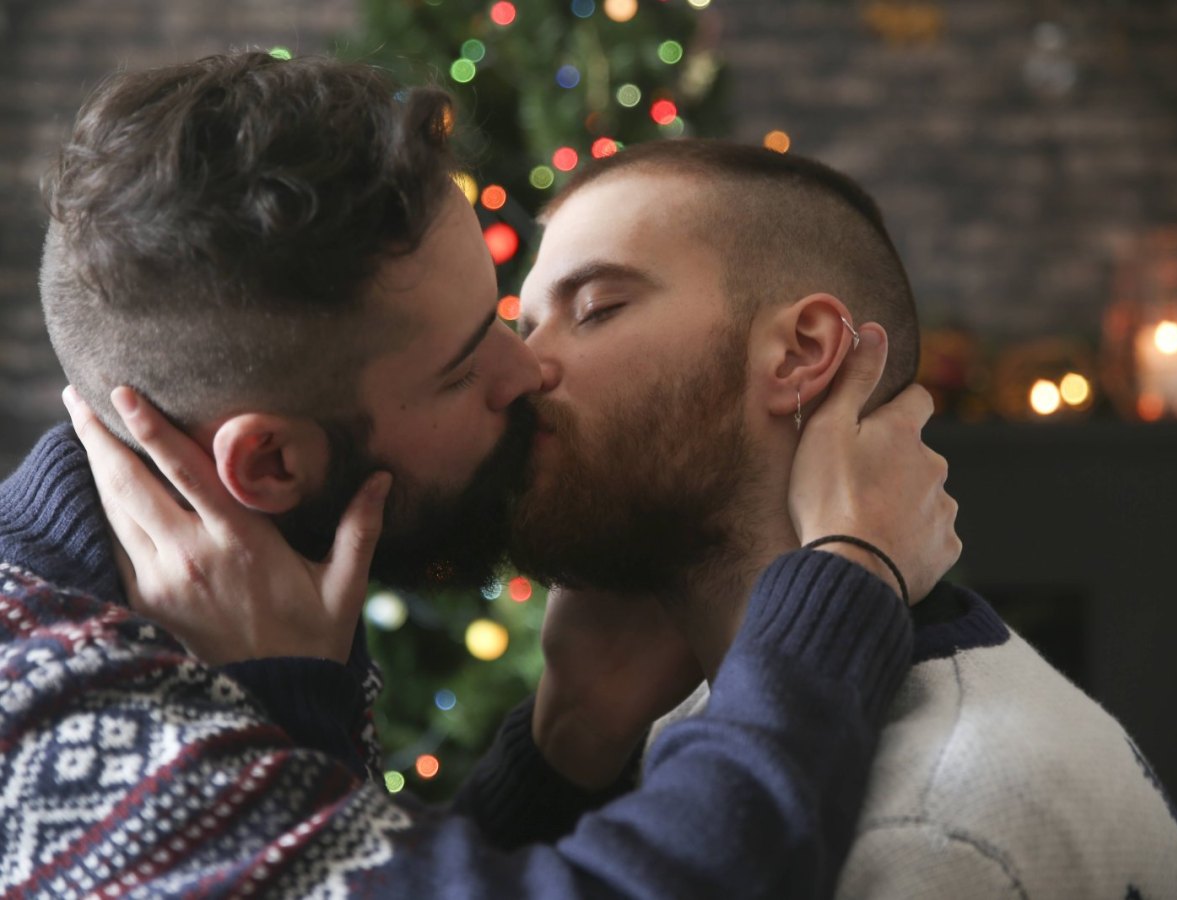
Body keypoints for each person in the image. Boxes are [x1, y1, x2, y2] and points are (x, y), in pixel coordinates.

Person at [0, 51, 959, 897]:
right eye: (463, 367)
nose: (527, 366)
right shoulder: (62, 720)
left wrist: (562, 752)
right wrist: (848, 571)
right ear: (272, 461)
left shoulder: (229, 602)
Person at [508, 139, 1177, 897]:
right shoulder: (690, 758)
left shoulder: (933, 834)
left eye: (595, 309)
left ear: (803, 352)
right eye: (524, 326)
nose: (520, 368)